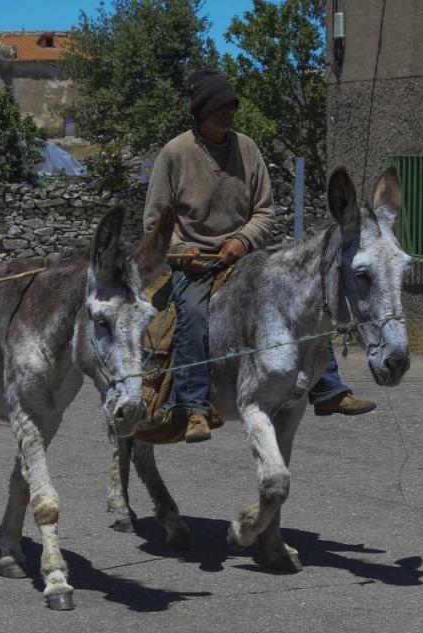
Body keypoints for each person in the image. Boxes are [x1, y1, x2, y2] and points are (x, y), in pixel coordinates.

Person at [143, 70, 374, 443]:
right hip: (195, 261)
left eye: (230, 106)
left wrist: (243, 240)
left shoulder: (247, 149)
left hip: (243, 254)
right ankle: (194, 407)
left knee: (305, 296)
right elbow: (156, 220)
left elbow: (264, 211)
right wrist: (182, 252)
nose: (226, 113)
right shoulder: (174, 154)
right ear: (201, 112)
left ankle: (328, 388)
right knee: (193, 313)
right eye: (218, 107)